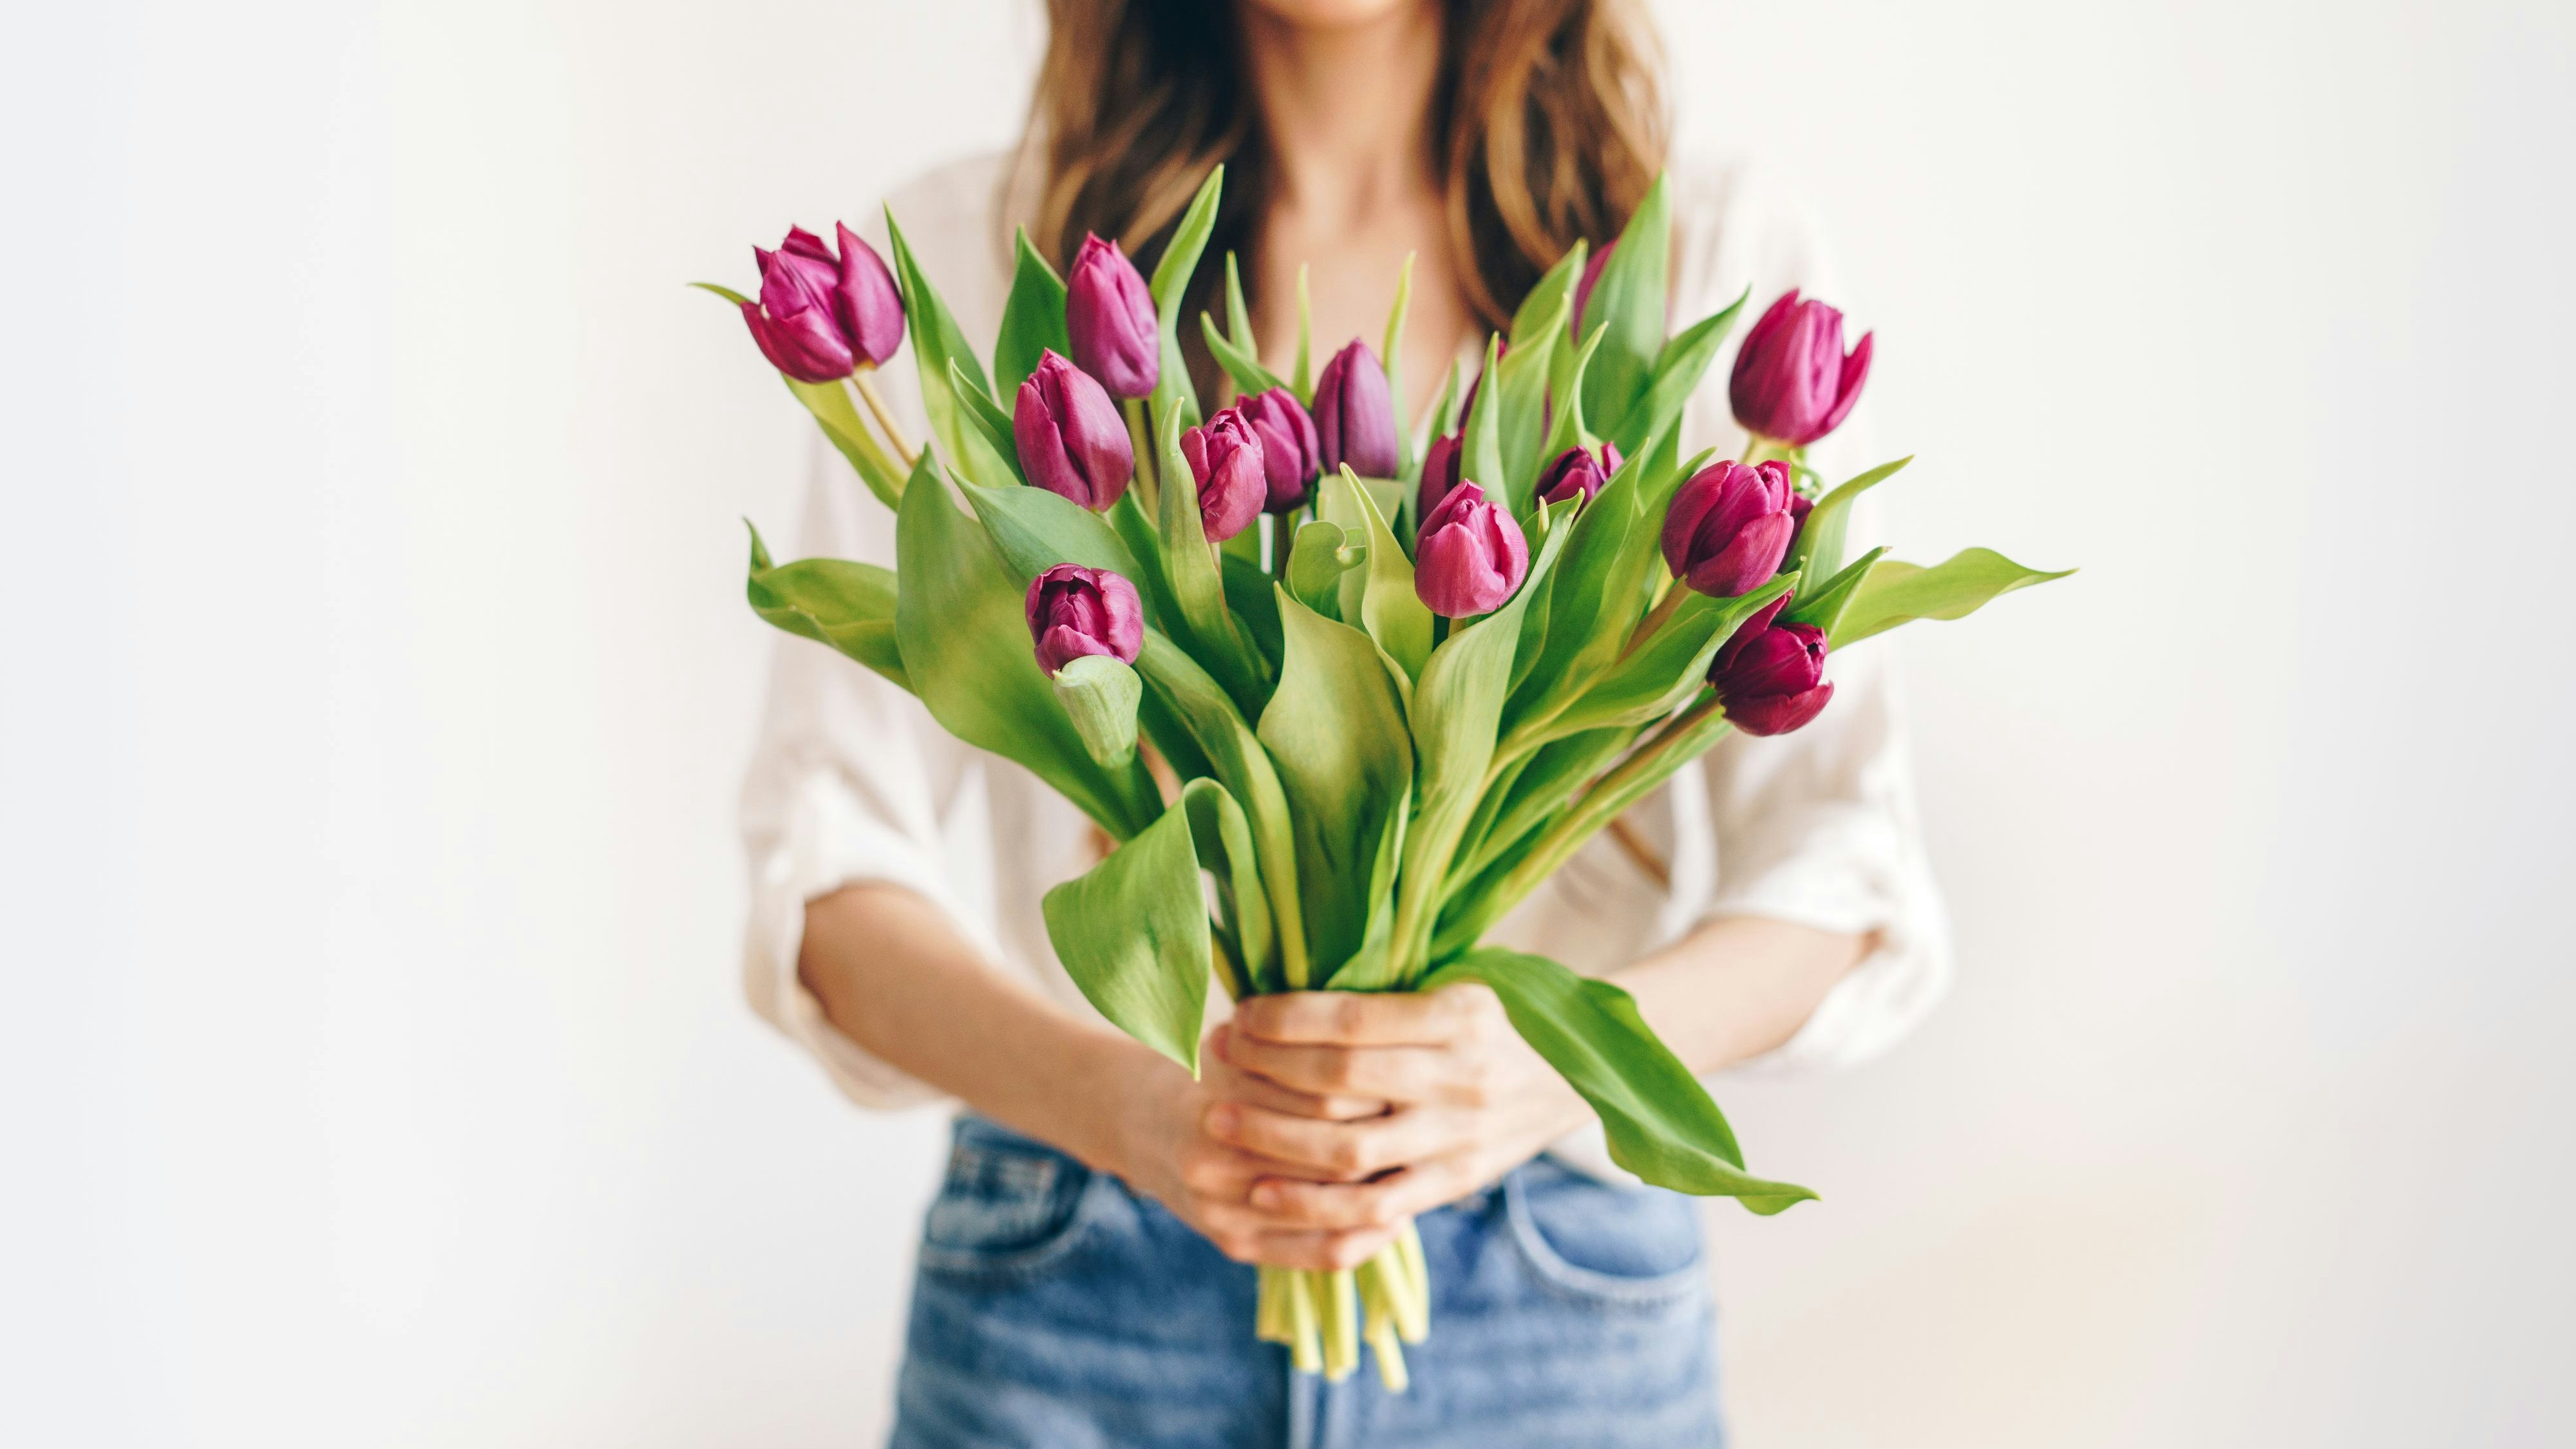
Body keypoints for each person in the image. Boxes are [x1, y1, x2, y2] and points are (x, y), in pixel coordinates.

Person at [740, 1, 1947, 1443]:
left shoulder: (1702, 251)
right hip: (1079, 1271)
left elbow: (1842, 862)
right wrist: (1129, 1107)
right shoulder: (964, 247)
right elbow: (818, 862)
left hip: (1551, 1297)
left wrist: (1541, 1067)